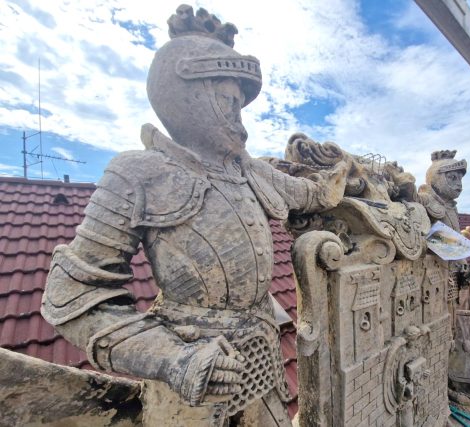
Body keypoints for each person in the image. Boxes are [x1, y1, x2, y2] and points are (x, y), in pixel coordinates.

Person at [42, 5, 348, 426]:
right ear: (187, 93)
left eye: (241, 104)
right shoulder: (139, 173)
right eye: (228, 100)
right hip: (191, 379)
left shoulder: (251, 170)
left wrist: (346, 171)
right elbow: (74, 296)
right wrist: (172, 360)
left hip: (262, 360)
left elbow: (315, 195)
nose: (239, 117)